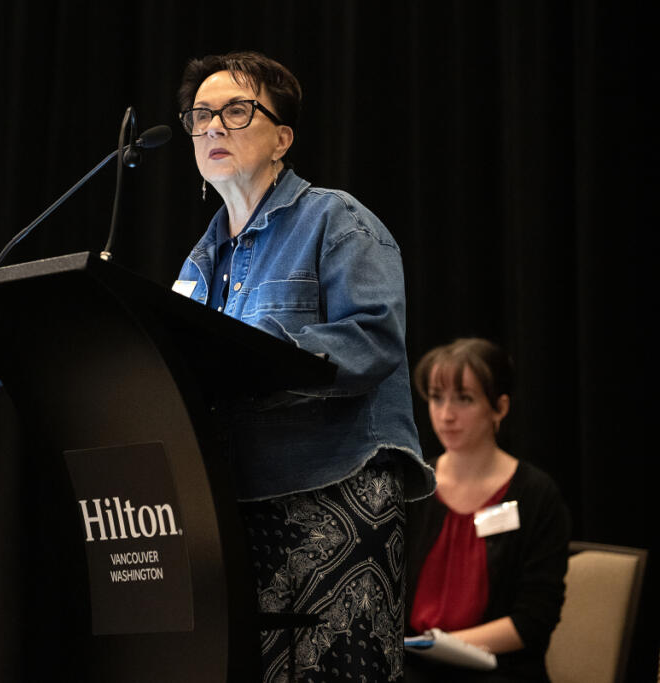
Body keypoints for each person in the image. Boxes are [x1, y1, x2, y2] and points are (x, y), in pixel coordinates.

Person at [173, 50, 435, 682]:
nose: (212, 127)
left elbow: (371, 339)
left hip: (335, 495)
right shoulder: (201, 259)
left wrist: (255, 358)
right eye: (200, 115)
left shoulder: (334, 219)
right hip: (233, 508)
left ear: (282, 137)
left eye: (236, 110)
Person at [405, 338, 570, 682]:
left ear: (499, 407)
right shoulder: (414, 486)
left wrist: (441, 645)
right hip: (413, 669)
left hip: (500, 671)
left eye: (464, 399)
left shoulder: (536, 494)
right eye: (437, 397)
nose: (446, 415)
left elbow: (534, 619)